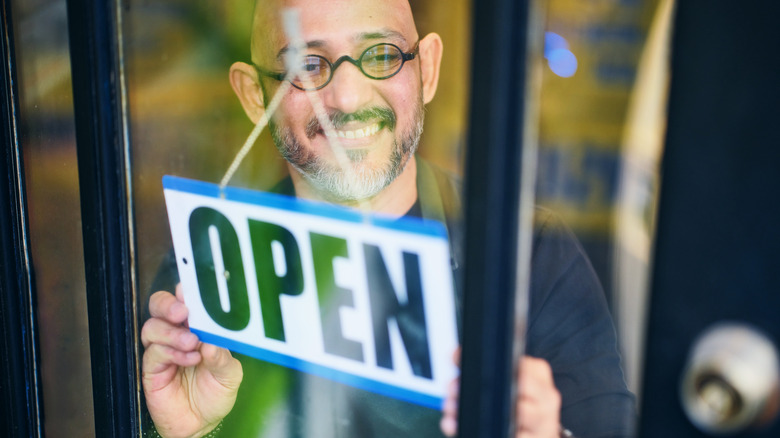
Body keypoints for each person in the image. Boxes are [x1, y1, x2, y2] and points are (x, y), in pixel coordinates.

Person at [141, 0, 635, 437]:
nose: (349, 100)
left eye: (381, 55)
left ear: (429, 69)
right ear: (254, 97)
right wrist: (193, 434)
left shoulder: (532, 254)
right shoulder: (201, 283)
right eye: (308, 65)